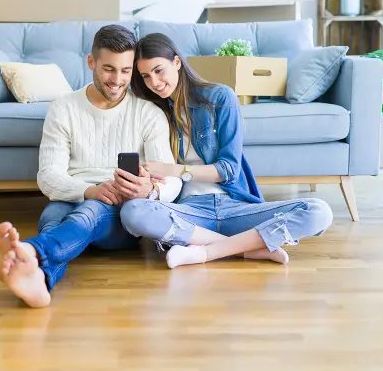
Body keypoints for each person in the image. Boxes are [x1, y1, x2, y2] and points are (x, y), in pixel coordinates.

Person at [0, 25, 183, 308]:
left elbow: (173, 179)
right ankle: (40, 281)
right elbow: (48, 177)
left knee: (90, 213)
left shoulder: (147, 113)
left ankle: (31, 251)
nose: (117, 80)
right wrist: (90, 190)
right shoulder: (64, 108)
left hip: (117, 217)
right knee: (52, 218)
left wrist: (151, 189)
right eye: (108, 69)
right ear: (91, 62)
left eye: (126, 70)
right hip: (77, 196)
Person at [119, 33, 334, 269]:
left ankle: (203, 253)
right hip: (189, 212)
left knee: (318, 211)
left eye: (159, 70)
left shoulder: (220, 98)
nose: (154, 83)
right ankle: (248, 249)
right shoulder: (156, 113)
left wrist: (175, 170)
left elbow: (229, 170)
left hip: (235, 206)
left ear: (177, 62)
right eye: (146, 76)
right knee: (133, 211)